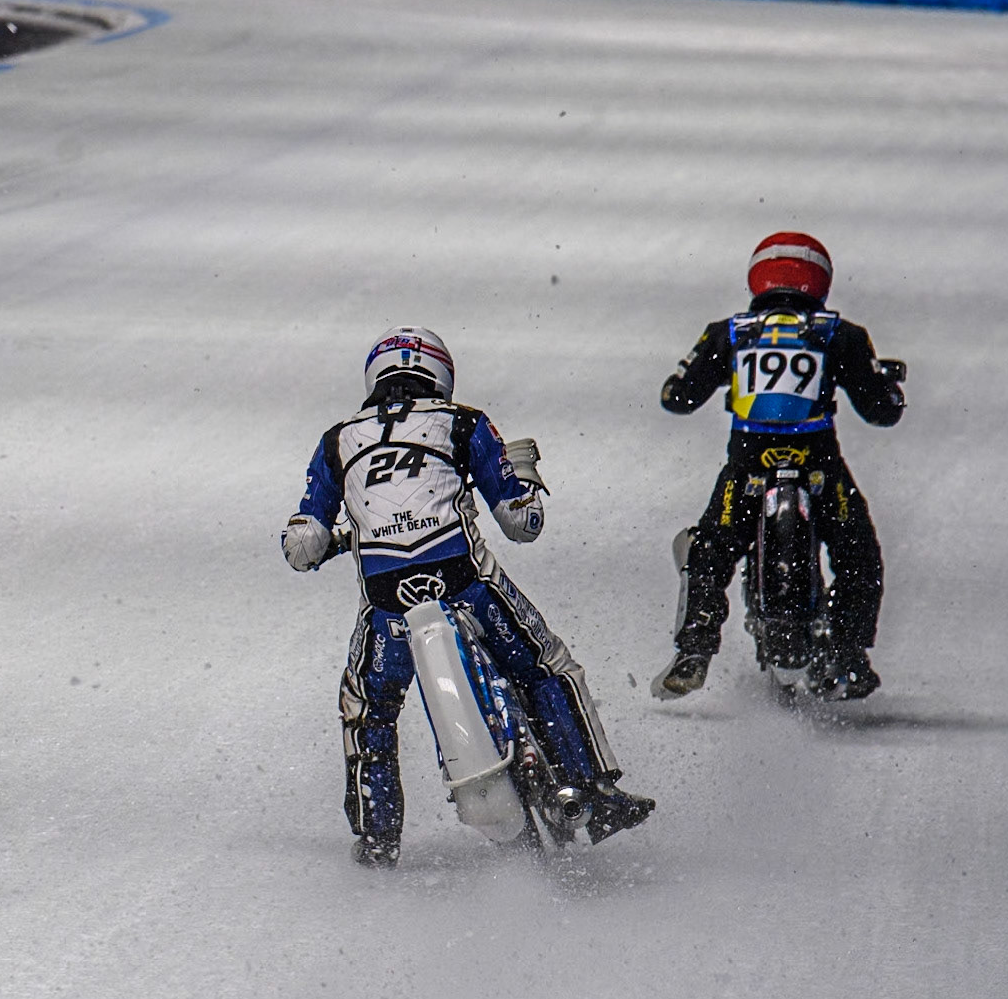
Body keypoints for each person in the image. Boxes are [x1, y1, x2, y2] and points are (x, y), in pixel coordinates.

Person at [282, 327, 653, 867]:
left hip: (389, 613)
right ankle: (593, 790)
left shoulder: (338, 439)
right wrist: (523, 478)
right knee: (547, 666)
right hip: (467, 590)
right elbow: (522, 523)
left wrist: (327, 540)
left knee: (368, 708)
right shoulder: (464, 423)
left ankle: (377, 837)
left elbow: (302, 545)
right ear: (441, 375)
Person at [653, 233, 905, 702]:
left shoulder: (730, 331)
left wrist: (683, 380)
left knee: (710, 551)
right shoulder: (839, 334)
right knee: (858, 556)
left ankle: (695, 648)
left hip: (748, 467)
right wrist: (890, 390)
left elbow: (679, 398)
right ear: (820, 280)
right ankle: (848, 653)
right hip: (817, 466)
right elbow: (880, 410)